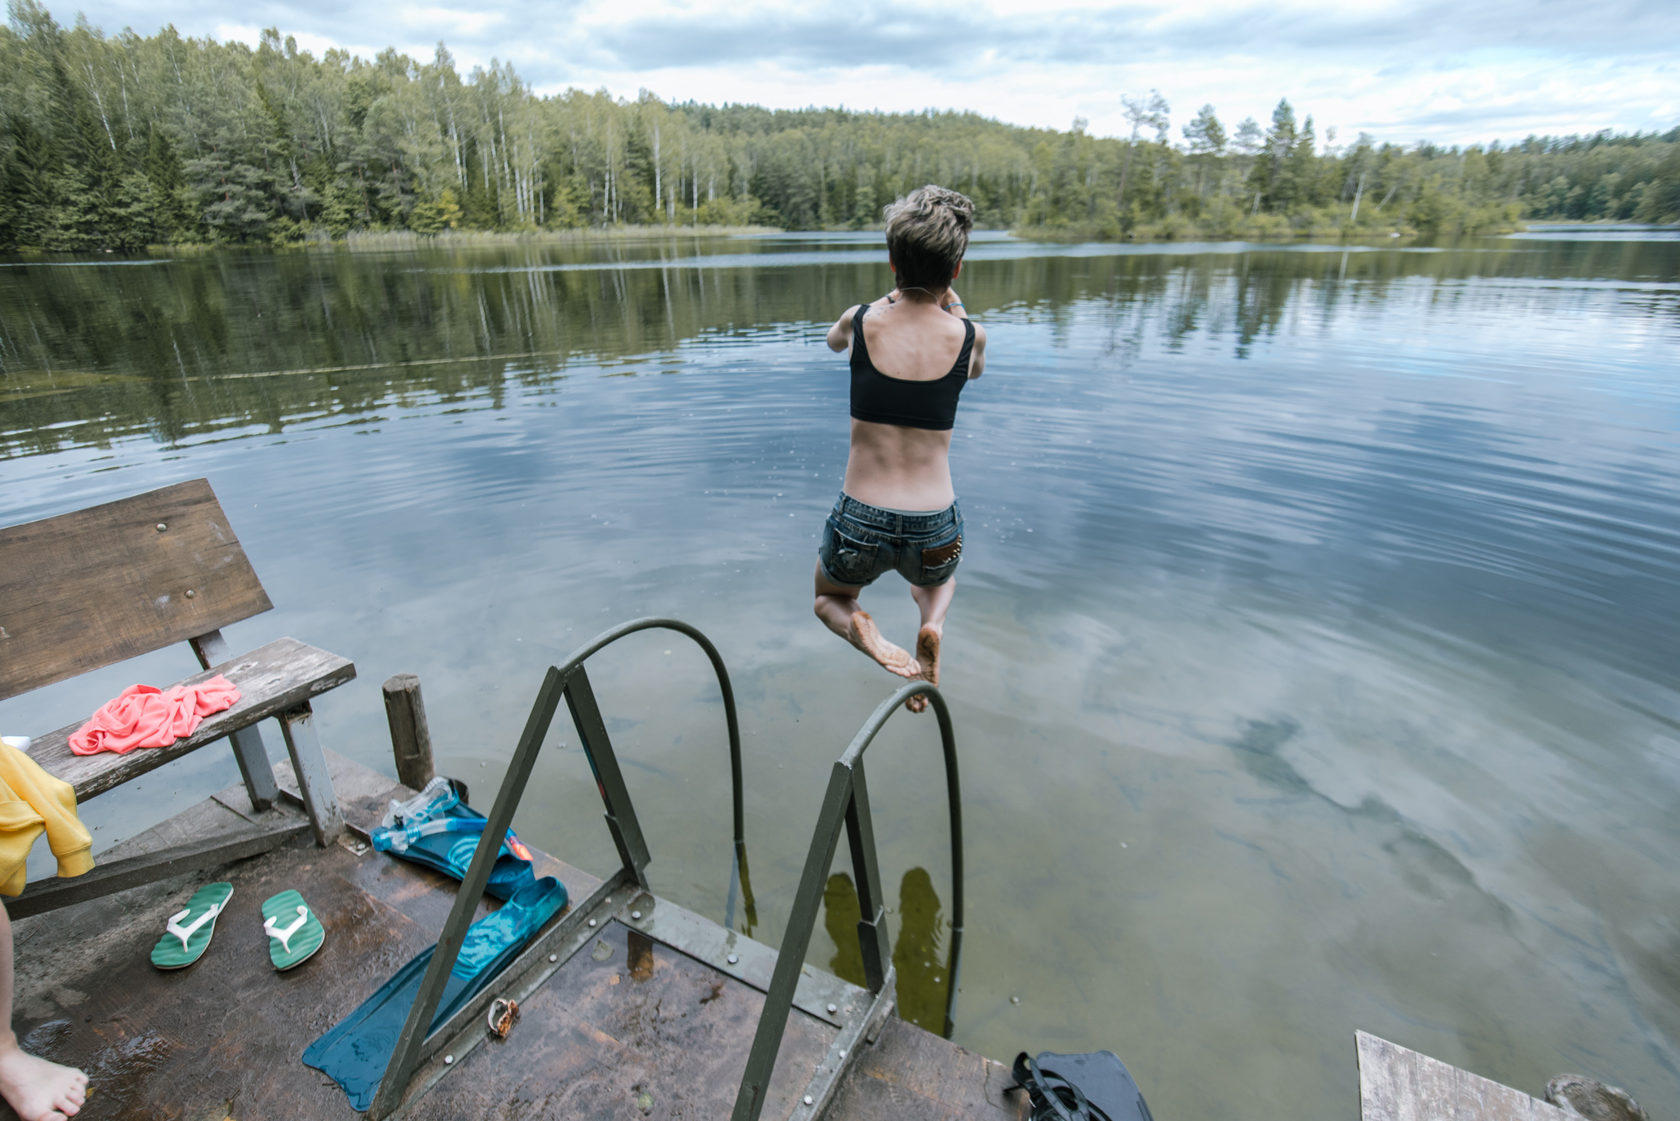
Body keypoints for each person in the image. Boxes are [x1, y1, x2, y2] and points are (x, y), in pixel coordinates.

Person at [815, 185, 987, 711]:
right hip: (935, 524)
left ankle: (865, 630)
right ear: (956, 270)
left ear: (892, 261)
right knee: (937, 582)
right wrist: (945, 300)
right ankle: (931, 624)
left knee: (830, 598)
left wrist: (888, 300)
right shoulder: (970, 336)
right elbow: (970, 362)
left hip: (859, 520)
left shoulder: (861, 320)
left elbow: (832, 342)